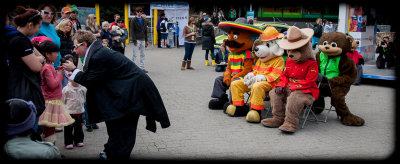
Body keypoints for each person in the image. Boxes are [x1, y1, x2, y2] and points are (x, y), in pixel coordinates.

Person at [62, 30, 170, 160]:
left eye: (75, 46)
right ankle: (111, 151)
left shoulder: (98, 55)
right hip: (125, 91)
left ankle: (118, 154)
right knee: (114, 124)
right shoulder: (97, 52)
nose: (74, 50)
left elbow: (90, 80)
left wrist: (73, 70)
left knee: (123, 128)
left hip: (132, 92)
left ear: (84, 44)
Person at [5, 6, 46, 142]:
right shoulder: (20, 41)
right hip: (24, 89)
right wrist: (40, 59)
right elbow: (36, 66)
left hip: (16, 86)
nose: (38, 30)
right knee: (28, 126)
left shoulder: (18, 38)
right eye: (37, 26)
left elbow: (39, 56)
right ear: (30, 25)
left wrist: (39, 58)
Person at [33, 39, 75, 145]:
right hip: (50, 101)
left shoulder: (48, 65)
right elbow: (52, 84)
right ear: (47, 54)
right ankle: (51, 148)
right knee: (49, 129)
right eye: (56, 52)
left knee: (48, 129)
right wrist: (60, 74)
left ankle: (48, 147)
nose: (58, 55)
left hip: (51, 100)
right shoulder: (47, 67)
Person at [33, 3, 62, 70]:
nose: (49, 16)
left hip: (56, 66)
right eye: (46, 13)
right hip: (45, 68)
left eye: (52, 13)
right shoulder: (36, 27)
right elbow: (30, 46)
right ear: (40, 12)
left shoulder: (52, 28)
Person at [62, 75, 87, 149]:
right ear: (69, 79)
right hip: (69, 112)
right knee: (68, 129)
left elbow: (85, 97)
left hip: (79, 112)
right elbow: (62, 100)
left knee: (78, 127)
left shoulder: (83, 88)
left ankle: (79, 140)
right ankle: (68, 142)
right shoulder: (66, 89)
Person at [130, 7, 149, 73]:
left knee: (143, 54)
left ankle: (142, 68)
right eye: (138, 11)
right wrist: (134, 40)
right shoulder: (133, 20)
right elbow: (132, 31)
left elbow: (145, 31)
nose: (139, 13)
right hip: (137, 39)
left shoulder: (144, 20)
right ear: (136, 12)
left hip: (143, 39)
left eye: (141, 11)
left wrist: (146, 40)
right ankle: (133, 68)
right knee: (134, 54)